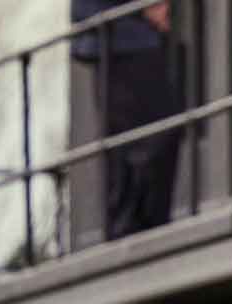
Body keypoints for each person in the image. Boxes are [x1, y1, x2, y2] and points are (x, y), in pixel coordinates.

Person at [70, 1, 180, 240]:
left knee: (139, 135)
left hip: (125, 34)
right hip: (120, 34)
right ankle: (133, 224)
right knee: (148, 133)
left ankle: (136, 223)